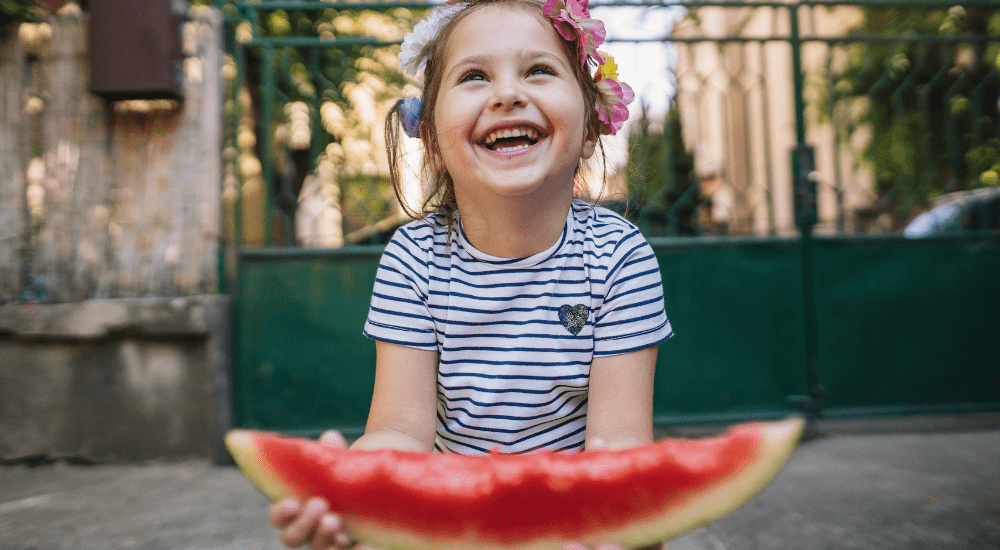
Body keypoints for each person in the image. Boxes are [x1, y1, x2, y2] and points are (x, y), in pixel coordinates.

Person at [269, 0, 673, 548]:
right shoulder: (414, 257)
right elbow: (400, 431)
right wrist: (348, 494)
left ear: (588, 130)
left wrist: (619, 525)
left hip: (574, 523)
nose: (507, 94)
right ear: (433, 142)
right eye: (474, 76)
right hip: (449, 522)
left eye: (539, 70)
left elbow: (619, 443)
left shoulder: (619, 256)